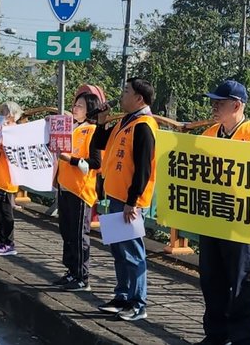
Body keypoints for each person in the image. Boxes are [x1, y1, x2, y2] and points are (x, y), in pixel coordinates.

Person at [195, 80, 250, 345]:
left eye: (220, 103)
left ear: (237, 105)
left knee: (242, 281)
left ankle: (242, 338)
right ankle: (216, 334)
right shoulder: (208, 135)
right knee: (211, 278)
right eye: (213, 102)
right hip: (211, 216)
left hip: (242, 221)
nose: (214, 107)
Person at [92, 77, 158, 322]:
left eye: (126, 91)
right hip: (115, 195)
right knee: (119, 251)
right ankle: (122, 295)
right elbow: (100, 143)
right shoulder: (126, 121)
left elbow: (143, 168)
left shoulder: (144, 126)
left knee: (132, 252)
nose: (122, 95)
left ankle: (138, 303)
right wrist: (101, 120)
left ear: (139, 98)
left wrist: (133, 201)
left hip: (129, 201)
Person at [54, 89, 103, 292]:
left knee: (79, 234)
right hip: (65, 186)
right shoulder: (72, 128)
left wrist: (71, 160)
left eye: (80, 106)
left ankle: (83, 276)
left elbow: (96, 163)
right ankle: (71, 270)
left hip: (80, 189)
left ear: (89, 109)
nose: (75, 108)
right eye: (75, 105)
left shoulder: (92, 131)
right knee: (66, 232)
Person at [0, 102, 24, 257]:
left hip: (6, 179)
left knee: (5, 211)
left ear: (12, 115)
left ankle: (9, 243)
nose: (1, 114)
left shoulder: (15, 132)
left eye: (4, 112)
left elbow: (13, 153)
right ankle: (1, 239)